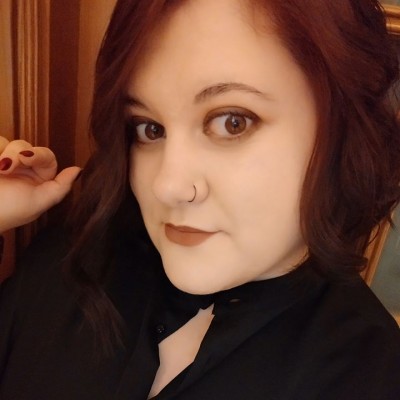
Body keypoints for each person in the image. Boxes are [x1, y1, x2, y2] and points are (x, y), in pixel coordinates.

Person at [1, 0, 400, 398]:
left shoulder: (369, 373)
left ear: (342, 130)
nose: (167, 186)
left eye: (232, 122)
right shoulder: (72, 264)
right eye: (149, 128)